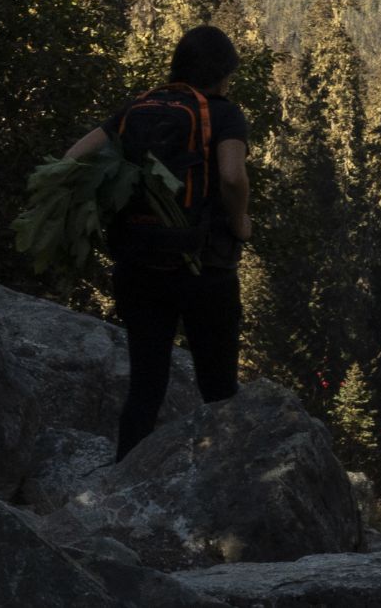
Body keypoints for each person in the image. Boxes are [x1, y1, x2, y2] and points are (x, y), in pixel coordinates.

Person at [66, 23, 252, 457]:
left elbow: (73, 157)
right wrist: (241, 221)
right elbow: (230, 174)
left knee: (146, 386)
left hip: (139, 265)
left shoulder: (139, 107)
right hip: (204, 267)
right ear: (223, 73)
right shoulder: (224, 113)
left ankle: (121, 483)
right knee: (219, 389)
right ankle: (232, 489)